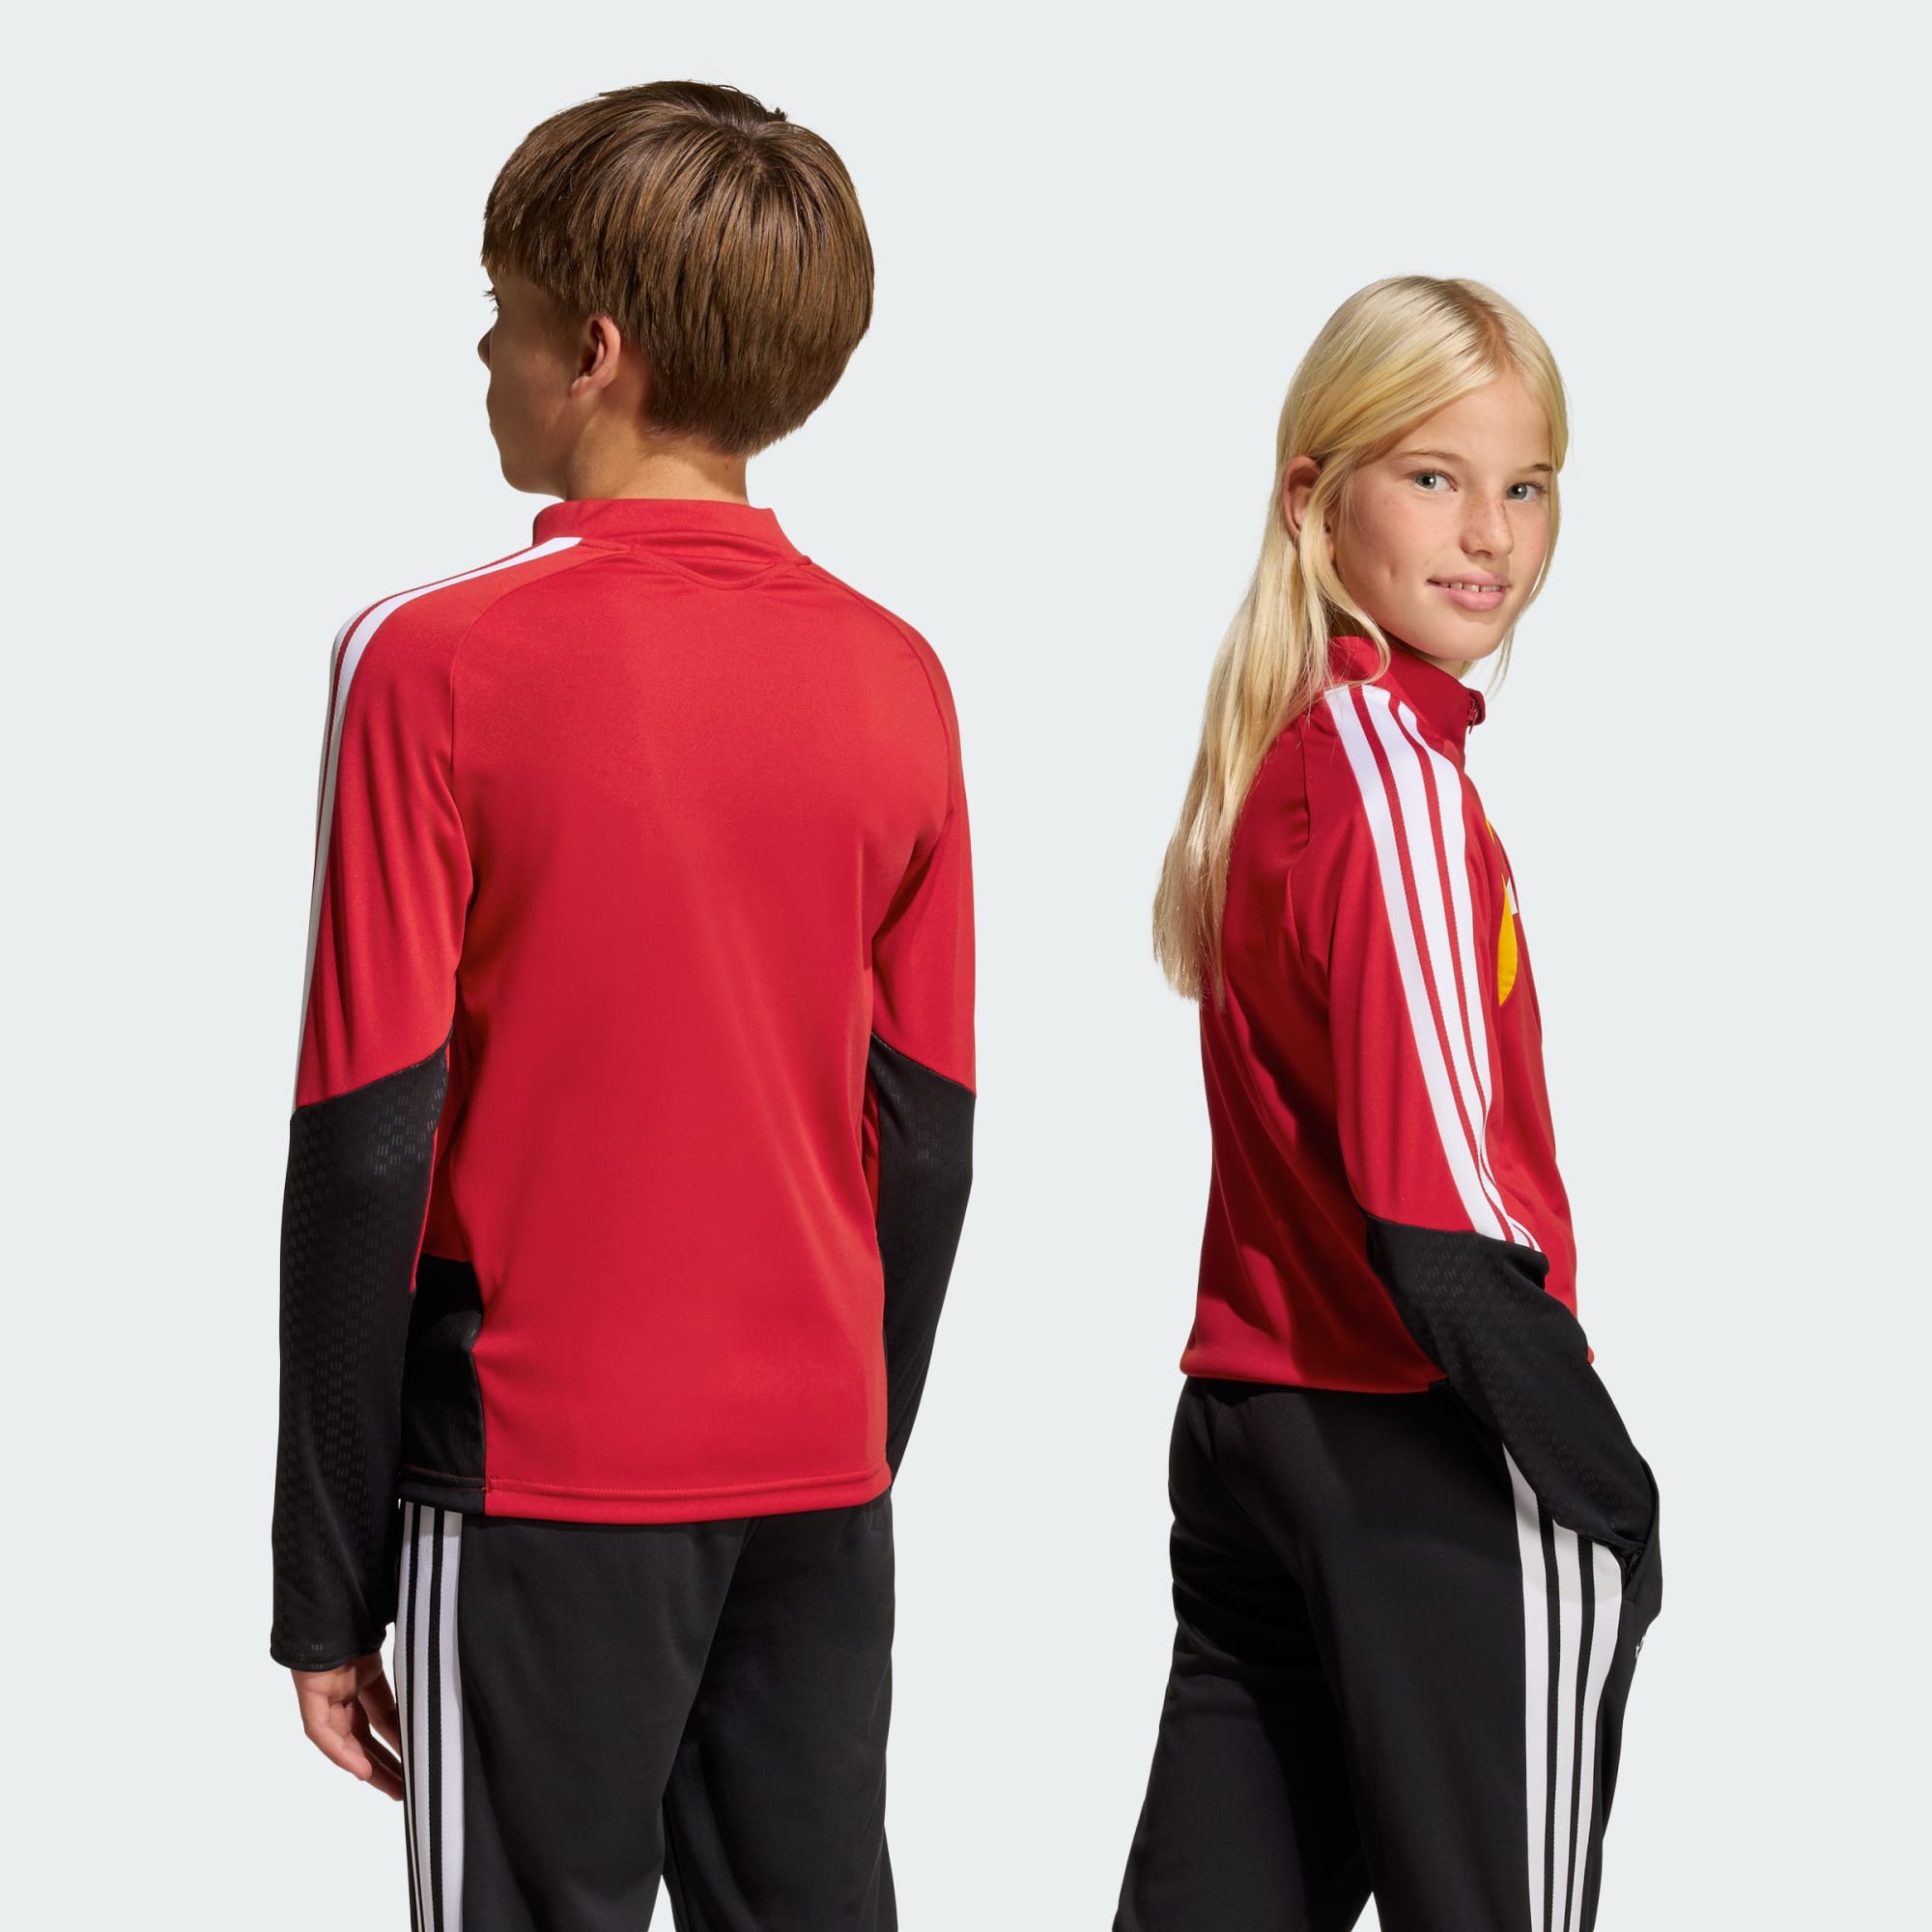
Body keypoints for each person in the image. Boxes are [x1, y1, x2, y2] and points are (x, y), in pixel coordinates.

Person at [270, 82, 974, 1932]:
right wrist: (842, 1447)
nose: (482, 356)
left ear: (594, 352)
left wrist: (324, 1579)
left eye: (500, 314)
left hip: (537, 1474)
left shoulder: (432, 661)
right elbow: (929, 1138)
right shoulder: (900, 678)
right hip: (817, 1483)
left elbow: (367, 1139)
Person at [1116, 276, 1661, 1932]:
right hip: (1425, 1450)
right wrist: (1610, 1497)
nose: (1490, 533)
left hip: (1253, 1426)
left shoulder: (1285, 761)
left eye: (1527, 484)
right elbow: (1438, 1229)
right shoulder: (1391, 788)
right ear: (1314, 494)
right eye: (1434, 477)